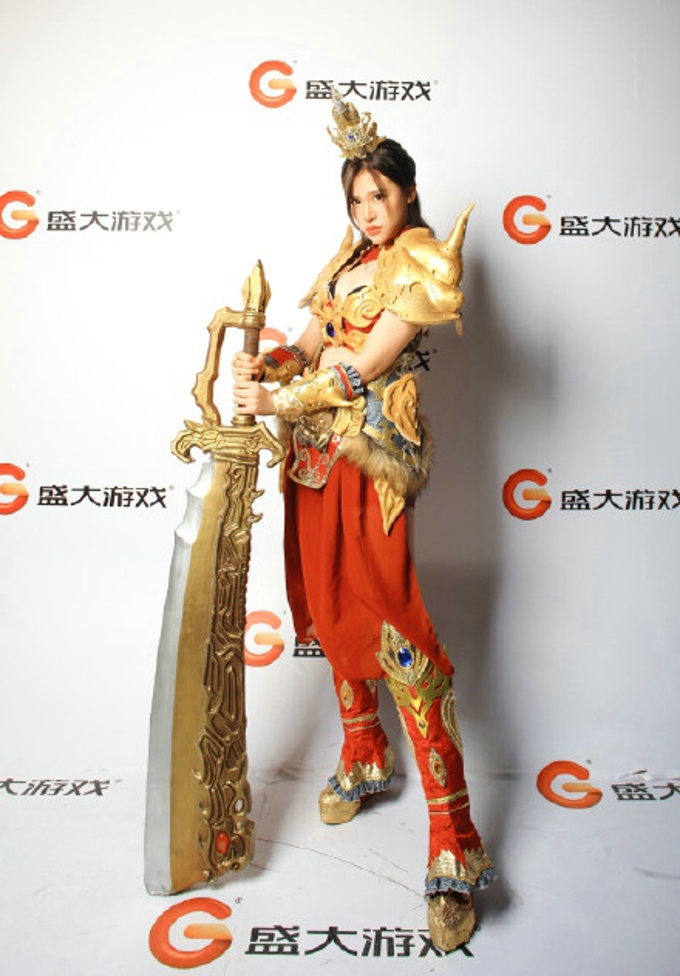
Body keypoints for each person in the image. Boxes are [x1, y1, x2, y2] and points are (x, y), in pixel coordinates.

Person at [232, 91, 494, 951]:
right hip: (313, 460)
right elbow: (312, 348)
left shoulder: (417, 258)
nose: (368, 210)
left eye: (379, 194)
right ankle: (364, 755)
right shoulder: (346, 258)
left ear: (407, 193)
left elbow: (362, 368)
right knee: (330, 605)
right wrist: (266, 364)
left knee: (394, 620)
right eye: (356, 197)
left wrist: (284, 396)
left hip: (371, 460)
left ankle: (454, 839)